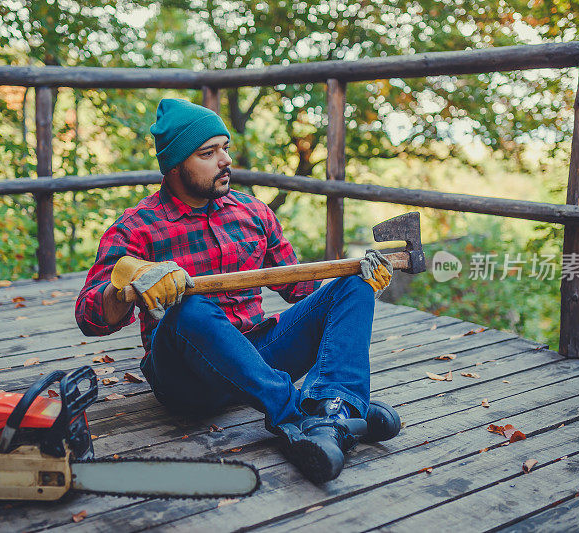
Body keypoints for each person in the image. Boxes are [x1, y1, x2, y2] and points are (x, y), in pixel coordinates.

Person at [75, 98, 401, 483]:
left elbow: (304, 289)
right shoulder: (137, 227)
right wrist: (128, 283)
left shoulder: (253, 212)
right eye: (208, 152)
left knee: (352, 286)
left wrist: (360, 286)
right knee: (189, 308)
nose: (225, 160)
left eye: (225, 148)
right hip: (187, 381)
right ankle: (303, 415)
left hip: (258, 354)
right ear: (176, 165)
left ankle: (336, 406)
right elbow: (89, 317)